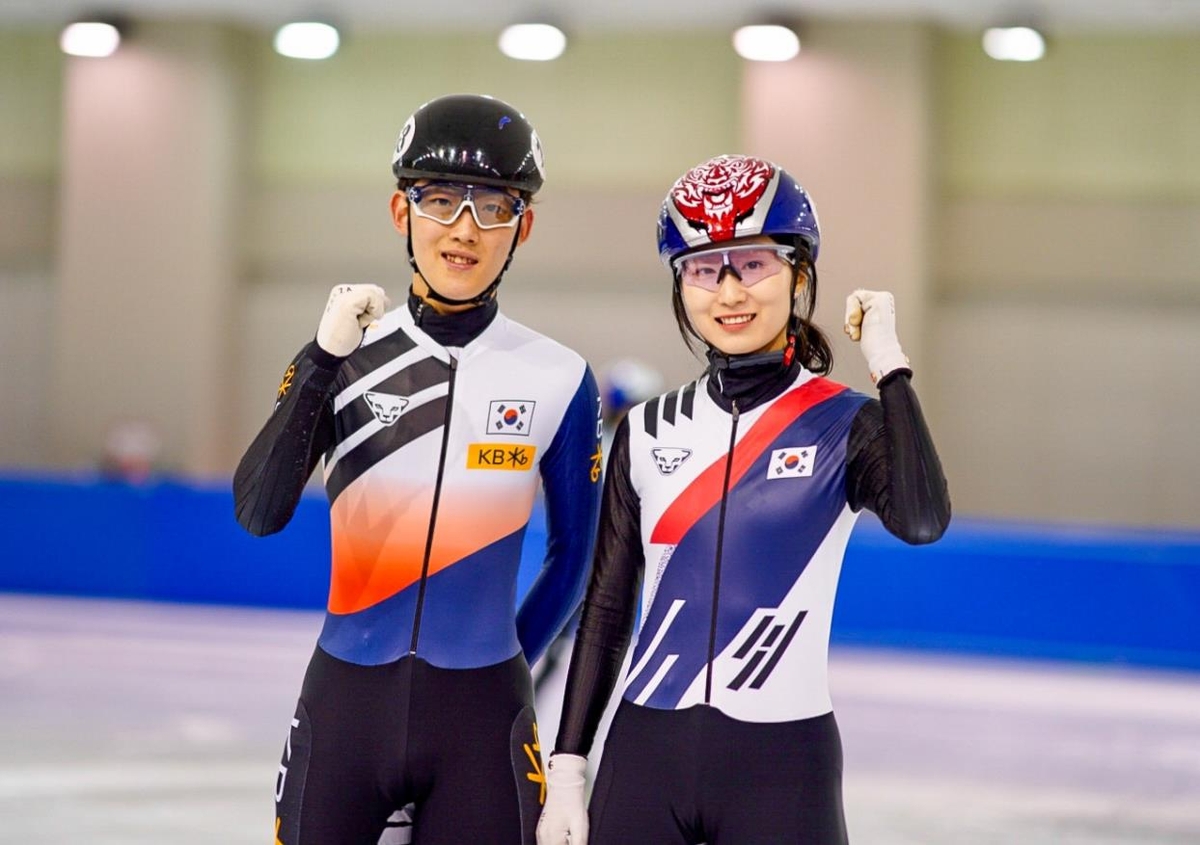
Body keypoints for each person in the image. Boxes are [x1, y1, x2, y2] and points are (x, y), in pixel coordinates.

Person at [537, 154, 951, 845]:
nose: (729, 291)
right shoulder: (644, 430)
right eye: (704, 268)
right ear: (680, 285)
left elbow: (922, 519)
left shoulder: (847, 424)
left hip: (782, 768)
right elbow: (607, 608)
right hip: (644, 757)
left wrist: (891, 368)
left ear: (800, 274)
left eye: (753, 263)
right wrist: (571, 767)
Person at [233, 93, 604, 845]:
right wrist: (319, 362)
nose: (463, 228)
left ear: (522, 227)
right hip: (345, 708)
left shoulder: (561, 377)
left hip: (483, 718)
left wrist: (504, 674)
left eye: (492, 206)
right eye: (439, 200)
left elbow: (577, 558)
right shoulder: (346, 355)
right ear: (402, 214)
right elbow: (259, 510)